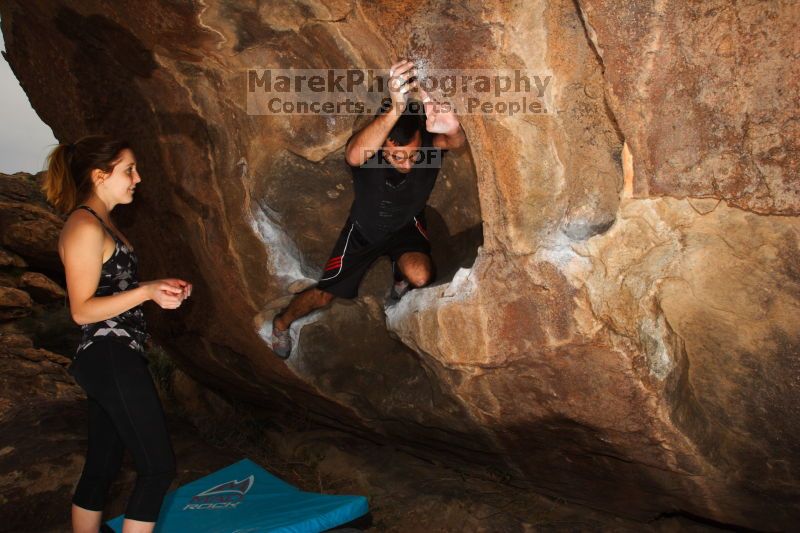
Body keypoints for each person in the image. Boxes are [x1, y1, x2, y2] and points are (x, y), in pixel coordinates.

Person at [42, 135, 192, 533]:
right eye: (129, 170)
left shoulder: (103, 222)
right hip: (108, 355)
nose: (137, 178)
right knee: (158, 469)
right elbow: (81, 310)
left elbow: (112, 290)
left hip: (116, 354)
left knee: (103, 466)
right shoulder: (82, 226)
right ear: (99, 175)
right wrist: (144, 292)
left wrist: (157, 287)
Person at [271, 59, 466, 359]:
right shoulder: (369, 153)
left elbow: (453, 139)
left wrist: (453, 128)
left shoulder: (426, 144)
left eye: (413, 157)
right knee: (324, 295)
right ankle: (282, 323)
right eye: (397, 157)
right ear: (382, 148)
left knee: (421, 276)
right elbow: (353, 154)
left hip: (406, 225)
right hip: (364, 231)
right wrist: (396, 108)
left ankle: (398, 274)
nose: (407, 164)